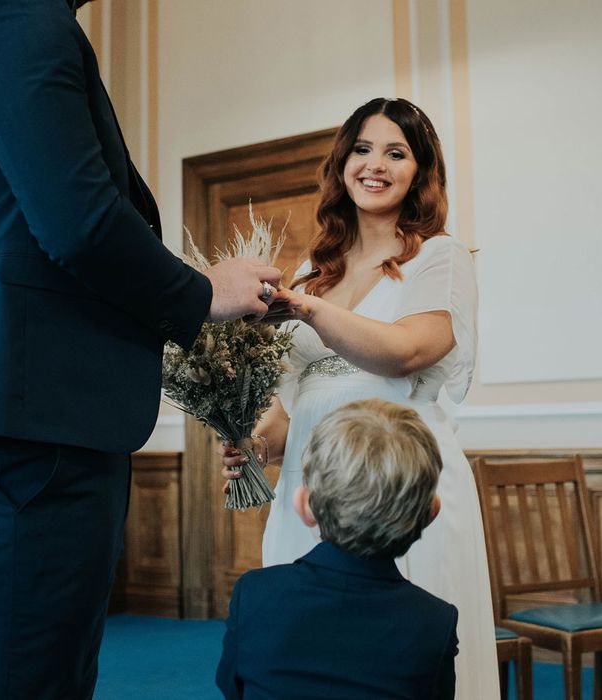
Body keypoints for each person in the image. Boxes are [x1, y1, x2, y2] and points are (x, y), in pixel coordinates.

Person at [0, 1, 281, 698]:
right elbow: (79, 222)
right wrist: (201, 292)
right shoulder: (5, 11)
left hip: (30, 430)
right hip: (19, 438)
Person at [220, 97, 499, 699]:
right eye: (362, 149)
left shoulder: (438, 256)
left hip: (399, 473)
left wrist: (308, 309)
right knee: (310, 658)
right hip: (312, 480)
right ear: (342, 162)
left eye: (396, 152)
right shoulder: (310, 269)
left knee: (398, 658)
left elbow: (406, 351)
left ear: (419, 170)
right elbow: (293, 397)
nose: (374, 165)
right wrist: (255, 444)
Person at [216, 399, 458, 700]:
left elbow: (232, 688)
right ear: (431, 512)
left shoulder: (254, 593)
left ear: (304, 506)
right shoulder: (434, 622)